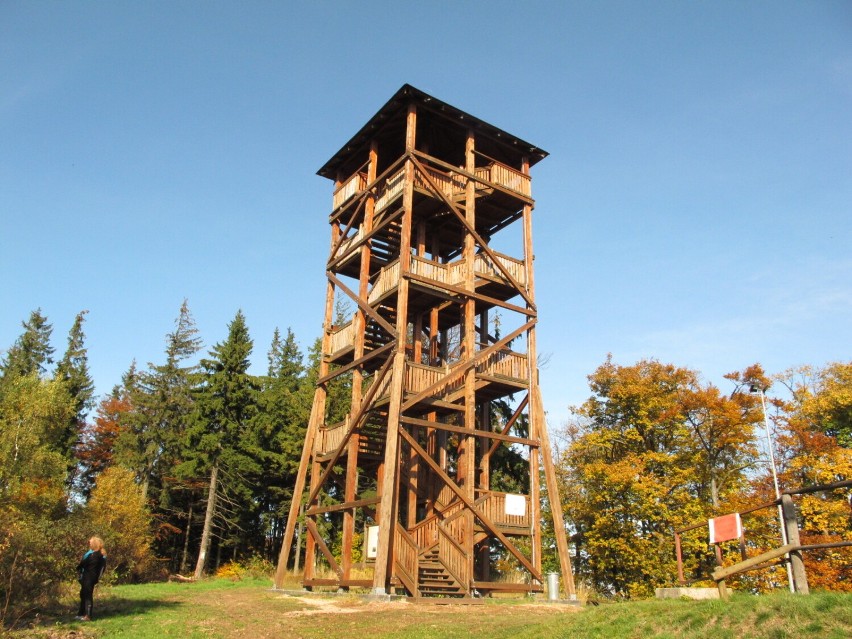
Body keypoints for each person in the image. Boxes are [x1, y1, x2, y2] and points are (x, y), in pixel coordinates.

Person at [76, 536, 107, 621]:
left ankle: (88, 616)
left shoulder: (95, 555)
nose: (88, 544)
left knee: (87, 595)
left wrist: (78, 568)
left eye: (90, 542)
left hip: (89, 577)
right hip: (88, 577)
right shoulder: (95, 554)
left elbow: (83, 564)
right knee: (83, 594)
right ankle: (81, 613)